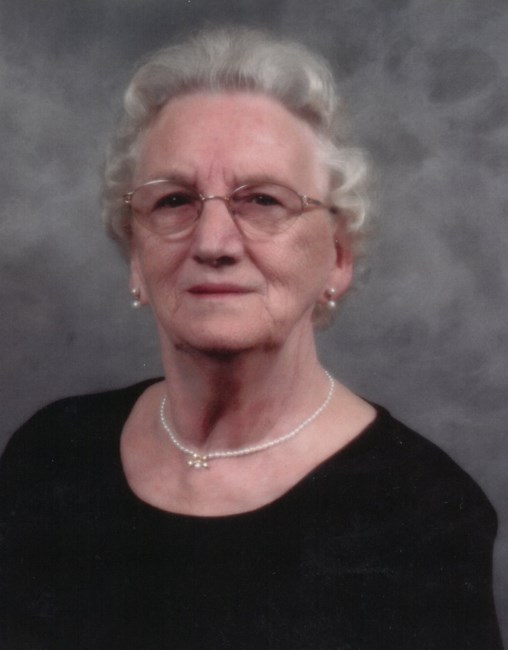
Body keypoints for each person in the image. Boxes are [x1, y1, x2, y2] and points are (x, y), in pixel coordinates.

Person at [0, 26, 502, 650]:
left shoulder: (425, 514)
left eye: (263, 200)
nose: (213, 243)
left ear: (338, 257)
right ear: (135, 257)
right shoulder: (50, 455)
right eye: (174, 201)